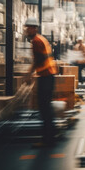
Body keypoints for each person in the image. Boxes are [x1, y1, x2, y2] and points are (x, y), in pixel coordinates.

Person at [24, 17, 58, 147]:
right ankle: (50, 137)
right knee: (46, 108)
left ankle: (47, 140)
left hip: (46, 76)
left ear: (34, 28)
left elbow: (38, 61)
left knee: (44, 109)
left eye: (28, 28)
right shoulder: (40, 39)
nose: (26, 30)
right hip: (48, 76)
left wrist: (29, 75)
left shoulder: (37, 41)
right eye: (26, 28)